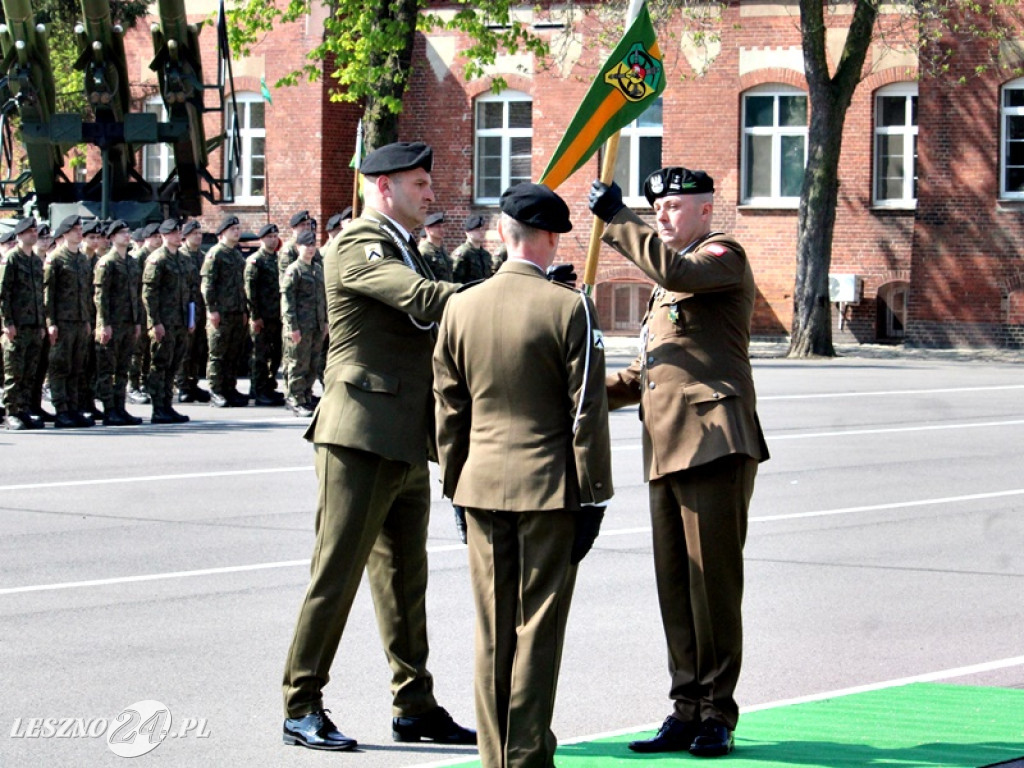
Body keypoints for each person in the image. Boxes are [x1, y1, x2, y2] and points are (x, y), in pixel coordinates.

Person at [281, 141, 471, 752]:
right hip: (359, 433)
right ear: (384, 186)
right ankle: (301, 703)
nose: (431, 193)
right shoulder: (360, 243)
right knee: (334, 574)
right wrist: (511, 293)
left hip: (403, 436)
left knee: (404, 580)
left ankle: (413, 704)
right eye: (420, 184)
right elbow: (421, 300)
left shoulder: (403, 245)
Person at [588, 169, 770, 758]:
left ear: (704, 209)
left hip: (715, 442)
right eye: (655, 208)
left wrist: (619, 220)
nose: (662, 216)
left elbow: (676, 270)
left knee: (711, 585)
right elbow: (646, 377)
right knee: (677, 587)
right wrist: (576, 385)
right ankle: (686, 707)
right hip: (666, 447)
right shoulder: (668, 288)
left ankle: (718, 713)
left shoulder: (721, 258)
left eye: (671, 206)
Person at [433, 182, 613, 768]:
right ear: (551, 238)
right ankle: (528, 754)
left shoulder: (460, 305)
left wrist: (456, 486)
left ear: (503, 236)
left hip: (479, 486)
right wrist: (594, 496)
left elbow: (449, 408)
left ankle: (495, 757)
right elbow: (586, 410)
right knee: (537, 629)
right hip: (551, 489)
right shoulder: (570, 307)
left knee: (492, 630)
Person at [43, 215, 95, 428]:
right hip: (62, 321)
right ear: (65, 233)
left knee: (77, 367)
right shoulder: (55, 258)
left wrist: (88, 320)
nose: (79, 232)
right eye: (74, 229)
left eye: (80, 228)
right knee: (59, 366)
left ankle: (73, 408)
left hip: (80, 320)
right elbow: (49, 293)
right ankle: (61, 409)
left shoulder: (82, 259)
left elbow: (87, 293)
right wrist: (50, 321)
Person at [93, 220, 143, 426]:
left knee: (123, 367)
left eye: (127, 231)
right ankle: (109, 409)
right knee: (107, 368)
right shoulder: (107, 262)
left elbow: (137, 295)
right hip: (112, 322)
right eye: (121, 233)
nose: (126, 235)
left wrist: (137, 321)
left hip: (128, 322)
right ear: (112, 237)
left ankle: (120, 407)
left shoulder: (131, 262)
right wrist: (103, 323)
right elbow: (100, 296)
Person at [142, 219, 192, 424]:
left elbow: (189, 290)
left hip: (179, 320)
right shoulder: (157, 259)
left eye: (178, 232)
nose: (177, 235)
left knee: (174, 365)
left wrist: (190, 317)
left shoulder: (182, 259)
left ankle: (168, 405)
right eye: (172, 233)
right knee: (160, 364)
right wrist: (155, 322)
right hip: (164, 321)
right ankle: (158, 407)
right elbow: (149, 293)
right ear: (163, 236)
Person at [1, 218, 46, 430]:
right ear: (19, 235)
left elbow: (39, 295)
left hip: (34, 325)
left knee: (30, 371)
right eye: (29, 231)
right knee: (14, 372)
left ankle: (24, 409)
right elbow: (3, 294)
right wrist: (7, 322)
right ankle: (10, 412)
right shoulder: (11, 259)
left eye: (35, 230)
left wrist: (42, 323)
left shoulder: (36, 261)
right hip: (17, 325)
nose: (33, 234)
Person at [201, 215, 249, 408]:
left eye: (238, 229)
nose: (236, 232)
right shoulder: (215, 254)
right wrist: (211, 309)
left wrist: (244, 310)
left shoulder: (236, 255)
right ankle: (215, 390)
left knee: (233, 353)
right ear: (222, 233)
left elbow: (241, 286)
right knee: (217, 354)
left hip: (236, 311)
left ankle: (230, 388)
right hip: (221, 312)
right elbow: (208, 285)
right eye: (232, 229)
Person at [280, 228, 326, 416]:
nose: (310, 249)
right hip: (300, 325)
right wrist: (292, 327)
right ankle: (295, 398)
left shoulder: (316, 269)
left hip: (316, 325)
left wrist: (325, 323)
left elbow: (323, 298)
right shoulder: (294, 270)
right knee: (297, 362)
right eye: (306, 245)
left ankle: (306, 395)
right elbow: (288, 300)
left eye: (313, 245)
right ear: (298, 247)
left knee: (312, 362)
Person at [245, 223, 286, 406]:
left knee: (276, 353)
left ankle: (269, 386)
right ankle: (258, 390)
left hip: (276, 315)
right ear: (261, 239)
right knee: (260, 355)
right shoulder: (256, 261)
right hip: (262, 315)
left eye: (275, 236)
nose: (273, 239)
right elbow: (250, 291)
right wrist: (255, 316)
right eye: (269, 236)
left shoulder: (278, 259)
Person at [176, 219, 210, 403]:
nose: (198, 237)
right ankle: (182, 385)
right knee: (185, 349)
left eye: (199, 233)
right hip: (186, 307)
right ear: (186, 236)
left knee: (198, 348)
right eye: (194, 234)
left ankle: (193, 382)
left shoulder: (202, 256)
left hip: (201, 307)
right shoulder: (182, 256)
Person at [127, 222, 160, 405]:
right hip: (140, 309)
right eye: (154, 236)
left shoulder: (157, 256)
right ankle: (133, 386)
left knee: (149, 350)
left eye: (158, 236)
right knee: (137, 351)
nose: (157, 239)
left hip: (152, 310)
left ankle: (147, 383)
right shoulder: (140, 257)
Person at [450, 214, 492, 284]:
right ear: (467, 232)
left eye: (483, 229)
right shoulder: (463, 253)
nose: (481, 232)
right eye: (477, 230)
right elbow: (454, 280)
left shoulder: (486, 254)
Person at [419, 211, 453, 282]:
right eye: (438, 226)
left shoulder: (442, 249)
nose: (442, 229)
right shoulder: (424, 251)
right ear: (427, 229)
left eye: (443, 226)